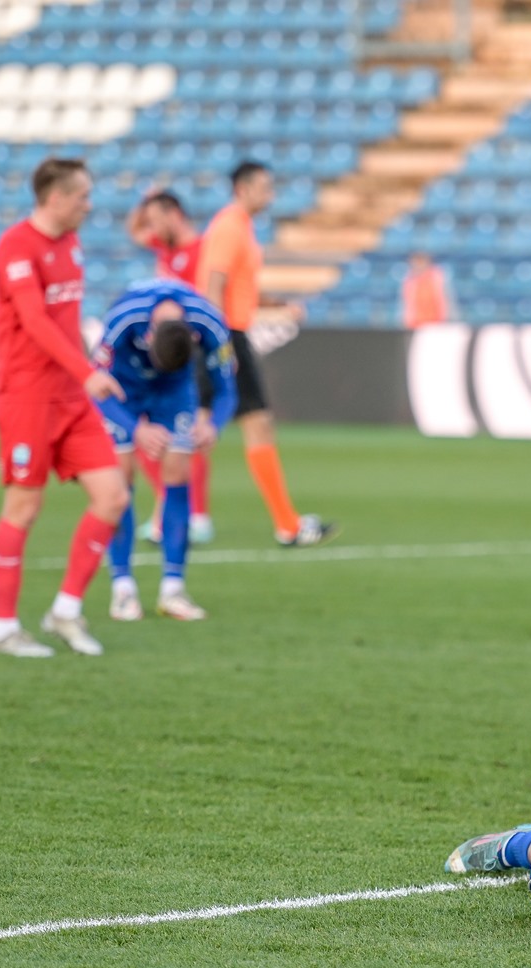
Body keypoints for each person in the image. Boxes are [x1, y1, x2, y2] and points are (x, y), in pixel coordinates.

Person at [0, 157, 129, 657]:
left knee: (112, 497)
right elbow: (34, 321)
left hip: (70, 395)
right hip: (28, 395)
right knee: (24, 505)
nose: (89, 205)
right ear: (55, 198)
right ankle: (4, 629)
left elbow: (65, 322)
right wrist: (87, 370)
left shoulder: (71, 244)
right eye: (83, 196)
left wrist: (86, 370)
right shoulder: (15, 246)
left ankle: (65, 611)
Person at [193, 160, 337, 548]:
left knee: (205, 426)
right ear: (243, 188)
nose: (270, 195)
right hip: (224, 334)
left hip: (225, 332)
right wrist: (217, 339)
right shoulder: (229, 226)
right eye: (265, 187)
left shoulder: (240, 228)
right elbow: (214, 285)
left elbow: (240, 288)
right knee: (247, 424)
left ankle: (170, 518)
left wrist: (277, 303)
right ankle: (286, 524)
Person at [92, 276, 238, 622]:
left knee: (178, 470)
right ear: (147, 336)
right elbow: (95, 385)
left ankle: (173, 588)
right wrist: (136, 429)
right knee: (120, 478)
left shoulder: (211, 323)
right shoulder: (124, 317)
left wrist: (212, 425)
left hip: (174, 393)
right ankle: (122, 588)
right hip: (121, 390)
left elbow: (228, 390)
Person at [124, 188, 214, 545]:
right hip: (164, 350)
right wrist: (146, 200)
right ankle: (173, 507)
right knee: (154, 432)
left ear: (175, 213)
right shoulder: (167, 248)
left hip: (189, 351)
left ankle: (195, 513)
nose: (152, 228)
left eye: (157, 218)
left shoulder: (201, 251)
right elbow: (133, 231)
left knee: (188, 432)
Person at [400, 250, 451, 329]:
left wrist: (444, 322)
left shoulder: (437, 277)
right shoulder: (409, 280)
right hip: (416, 324)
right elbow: (407, 305)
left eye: (420, 261)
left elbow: (444, 301)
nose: (417, 264)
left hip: (436, 323)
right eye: (415, 261)